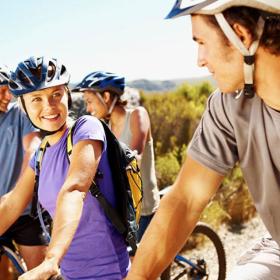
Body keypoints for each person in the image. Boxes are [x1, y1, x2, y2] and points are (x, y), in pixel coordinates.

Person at [126, 1, 280, 279]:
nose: (199, 59)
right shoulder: (228, 107)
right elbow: (185, 199)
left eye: (202, 42)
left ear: (241, 35)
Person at [0, 56, 129, 280]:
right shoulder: (42, 153)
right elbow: (13, 203)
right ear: (23, 106)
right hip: (70, 274)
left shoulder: (86, 129)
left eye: (56, 94)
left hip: (108, 272)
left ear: (67, 95)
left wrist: (51, 260)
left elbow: (75, 189)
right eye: (36, 99)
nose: (49, 106)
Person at [73, 71, 160, 241]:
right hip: (123, 211)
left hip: (144, 209)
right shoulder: (106, 130)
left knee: (138, 265)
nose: (88, 109)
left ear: (105, 96)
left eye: (90, 102)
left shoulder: (137, 115)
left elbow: (135, 156)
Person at [0, 65, 47, 271]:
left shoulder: (20, 112)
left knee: (41, 272)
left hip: (24, 211)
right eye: (1, 89)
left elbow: (33, 146)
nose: (7, 95)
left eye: (9, 89)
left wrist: (17, 194)